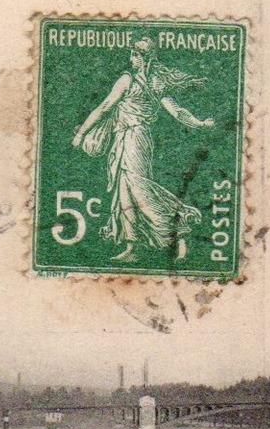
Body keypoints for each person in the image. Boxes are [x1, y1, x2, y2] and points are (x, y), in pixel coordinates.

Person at [71, 38, 215, 263]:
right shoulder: (157, 82)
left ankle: (180, 227)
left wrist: (81, 134)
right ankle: (133, 246)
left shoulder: (127, 80)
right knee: (125, 191)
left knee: (137, 189)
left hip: (132, 138)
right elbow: (178, 112)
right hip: (136, 140)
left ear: (141, 57)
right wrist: (200, 123)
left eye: (134, 55)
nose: (130, 59)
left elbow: (105, 107)